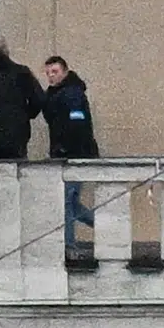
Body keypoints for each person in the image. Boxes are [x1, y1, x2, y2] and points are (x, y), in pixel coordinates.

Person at [41, 56, 99, 252]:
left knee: (66, 202)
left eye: (55, 72)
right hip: (64, 154)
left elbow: (77, 125)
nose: (51, 76)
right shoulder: (54, 94)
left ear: (65, 72)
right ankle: (107, 227)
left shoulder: (73, 93)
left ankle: (68, 245)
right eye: (48, 73)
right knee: (71, 204)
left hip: (75, 156)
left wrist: (66, 149)